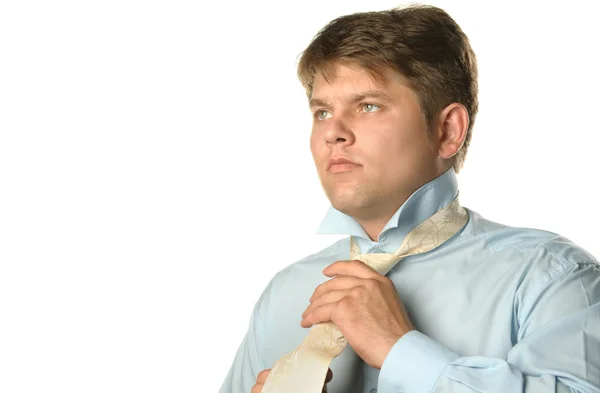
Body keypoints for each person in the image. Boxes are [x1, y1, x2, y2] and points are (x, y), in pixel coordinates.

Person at [219, 4, 600, 393]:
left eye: (368, 106)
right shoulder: (283, 295)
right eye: (322, 112)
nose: (334, 132)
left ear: (448, 131)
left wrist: (399, 350)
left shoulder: (550, 278)